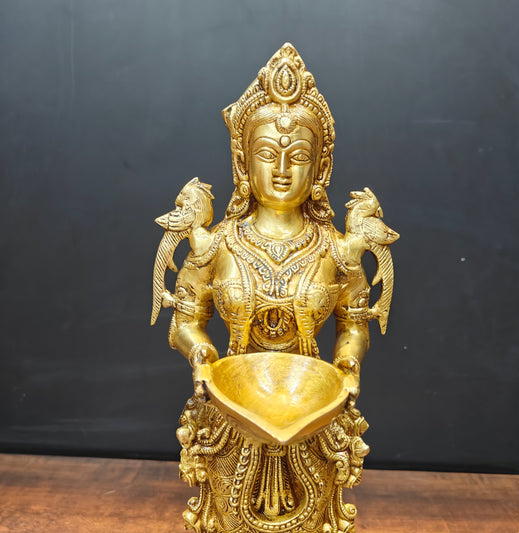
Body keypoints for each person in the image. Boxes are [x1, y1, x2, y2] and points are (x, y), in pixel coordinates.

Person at [159, 44, 397, 533]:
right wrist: (200, 353)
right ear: (244, 163)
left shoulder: (337, 250)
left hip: (313, 412)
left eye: (299, 156)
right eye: (268, 154)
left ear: (320, 169)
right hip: (232, 412)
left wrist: (348, 363)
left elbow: (354, 324)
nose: (283, 169)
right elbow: (186, 320)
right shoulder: (217, 245)